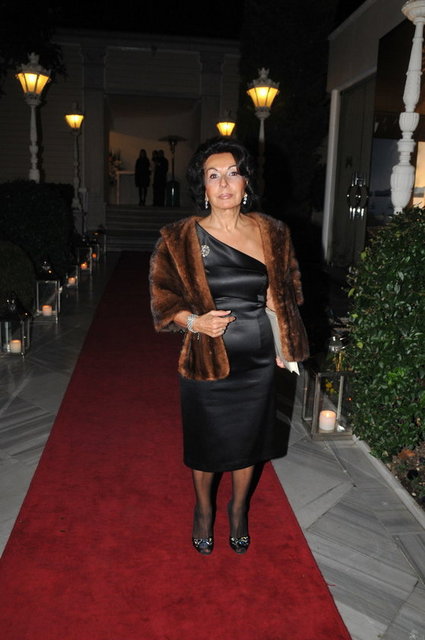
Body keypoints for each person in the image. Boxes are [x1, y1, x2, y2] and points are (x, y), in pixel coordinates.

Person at [149, 136, 309, 556]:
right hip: (205, 358)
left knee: (248, 443)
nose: (224, 184)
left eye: (233, 173)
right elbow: (163, 300)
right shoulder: (179, 237)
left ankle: (238, 510)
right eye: (213, 175)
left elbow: (288, 290)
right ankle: (203, 510)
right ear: (202, 186)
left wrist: (283, 337)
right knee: (205, 444)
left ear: (246, 182)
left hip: (257, 357)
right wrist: (195, 321)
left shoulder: (272, 232)